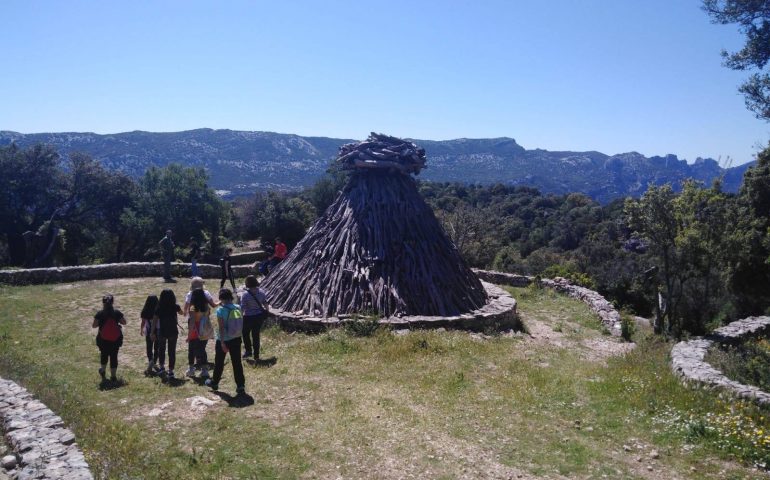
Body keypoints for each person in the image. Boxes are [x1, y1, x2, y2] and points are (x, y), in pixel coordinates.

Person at [206, 288, 245, 395]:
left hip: (225, 339)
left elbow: (221, 328)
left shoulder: (221, 310)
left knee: (219, 362)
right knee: (237, 363)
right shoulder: (238, 307)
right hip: (236, 338)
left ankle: (214, 383)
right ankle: (240, 385)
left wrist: (222, 342)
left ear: (221, 298)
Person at [92, 294, 126, 382]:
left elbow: (94, 326)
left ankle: (103, 371)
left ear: (103, 303)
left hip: (103, 340)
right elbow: (124, 322)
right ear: (113, 302)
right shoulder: (116, 312)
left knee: (104, 355)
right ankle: (113, 376)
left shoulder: (100, 313)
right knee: (114, 356)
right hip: (115, 340)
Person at [154, 289, 182, 379]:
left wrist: (152, 332)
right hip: (173, 331)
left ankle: (162, 367)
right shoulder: (175, 306)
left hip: (162, 331)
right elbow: (182, 313)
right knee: (172, 351)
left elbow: (154, 320)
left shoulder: (159, 307)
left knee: (161, 349)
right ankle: (171, 371)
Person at [240, 275, 269, 360]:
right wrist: (267, 311)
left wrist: (239, 317)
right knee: (256, 335)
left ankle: (248, 351)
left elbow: (242, 307)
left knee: (245, 334)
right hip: (259, 316)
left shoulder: (245, 294)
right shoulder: (261, 292)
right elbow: (265, 303)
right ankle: (256, 355)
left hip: (248, 317)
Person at [186, 289, 212, 379]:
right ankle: (204, 370)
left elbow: (192, 321)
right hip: (204, 330)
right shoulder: (206, 306)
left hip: (195, 331)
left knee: (191, 350)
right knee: (202, 349)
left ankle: (191, 369)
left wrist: (189, 336)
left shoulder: (193, 307)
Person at [139, 295, 160, 375]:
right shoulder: (159, 310)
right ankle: (154, 362)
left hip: (148, 331)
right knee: (157, 347)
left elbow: (143, 322)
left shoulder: (145, 311)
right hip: (158, 331)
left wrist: (141, 330)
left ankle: (150, 360)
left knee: (149, 347)